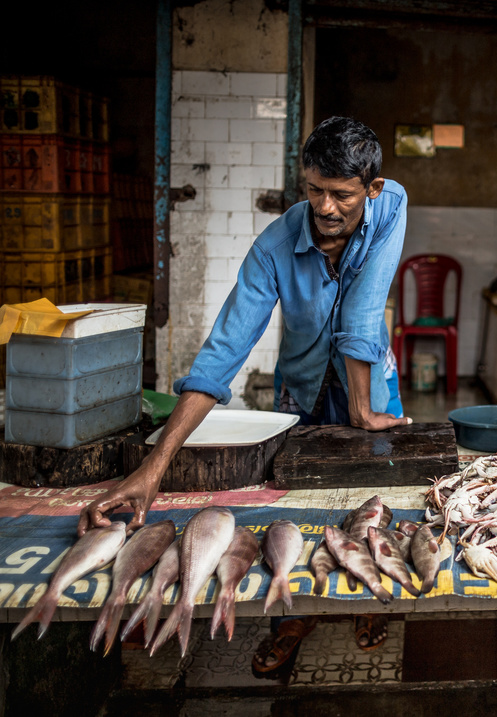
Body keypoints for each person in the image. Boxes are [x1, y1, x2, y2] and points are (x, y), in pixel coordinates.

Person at [77, 116, 410, 672]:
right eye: (314, 190)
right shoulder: (273, 248)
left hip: (370, 384)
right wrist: (152, 470)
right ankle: (291, 615)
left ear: (370, 189)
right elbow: (219, 358)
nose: (326, 208)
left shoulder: (391, 202)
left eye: (342, 195)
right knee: (292, 513)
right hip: (298, 389)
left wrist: (361, 410)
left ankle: (367, 603)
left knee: (374, 505)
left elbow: (364, 307)